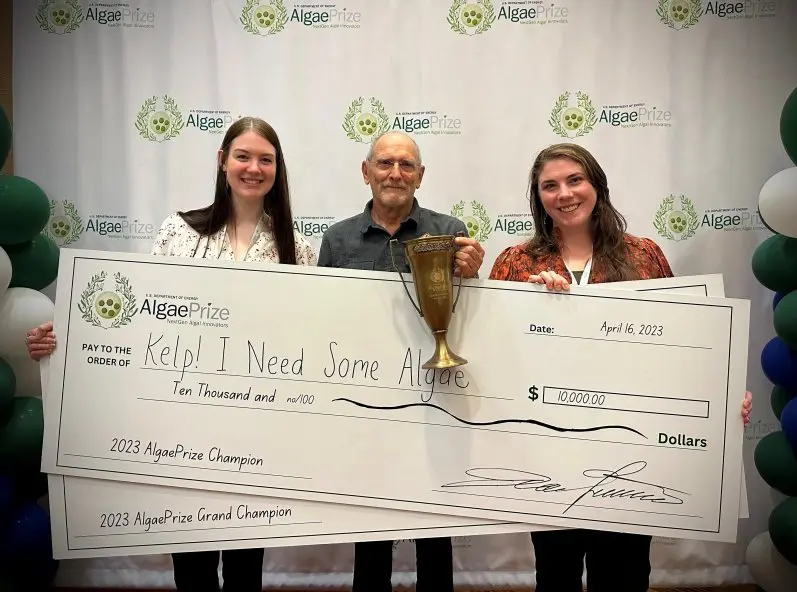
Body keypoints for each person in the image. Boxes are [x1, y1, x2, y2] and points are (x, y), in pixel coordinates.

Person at [26, 116, 317, 592]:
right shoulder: (179, 232)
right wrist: (69, 334)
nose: (254, 167)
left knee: (246, 565)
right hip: (184, 425)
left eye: (266, 159)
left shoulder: (298, 250)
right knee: (194, 564)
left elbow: (306, 336)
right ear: (222, 161)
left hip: (257, 429)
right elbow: (139, 313)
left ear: (277, 170)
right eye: (243, 156)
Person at [488, 142, 753, 592]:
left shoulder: (643, 255)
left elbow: (683, 345)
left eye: (575, 180)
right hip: (549, 454)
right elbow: (494, 354)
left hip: (632, 455)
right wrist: (533, 307)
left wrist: (721, 396)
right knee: (556, 575)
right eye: (550, 186)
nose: (564, 193)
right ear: (538, 198)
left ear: (596, 185)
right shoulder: (517, 264)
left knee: (626, 575)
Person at [317, 129, 485, 592]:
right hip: (366, 401)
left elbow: (472, 314)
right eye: (386, 163)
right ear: (366, 172)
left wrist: (473, 273)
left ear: (421, 175)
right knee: (370, 527)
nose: (396, 173)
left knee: (436, 523)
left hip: (437, 394)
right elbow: (322, 320)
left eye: (406, 165)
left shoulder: (450, 231)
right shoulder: (337, 239)